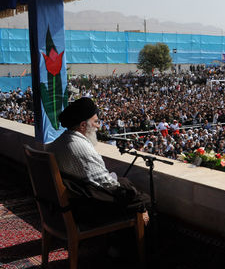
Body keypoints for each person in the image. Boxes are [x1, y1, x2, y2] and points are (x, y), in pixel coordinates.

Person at [47, 97, 150, 226]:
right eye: (95, 122)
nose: (98, 126)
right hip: (83, 209)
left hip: (63, 206)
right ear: (83, 125)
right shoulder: (80, 147)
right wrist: (140, 204)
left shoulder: (59, 142)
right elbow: (106, 184)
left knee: (125, 184)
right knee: (143, 199)